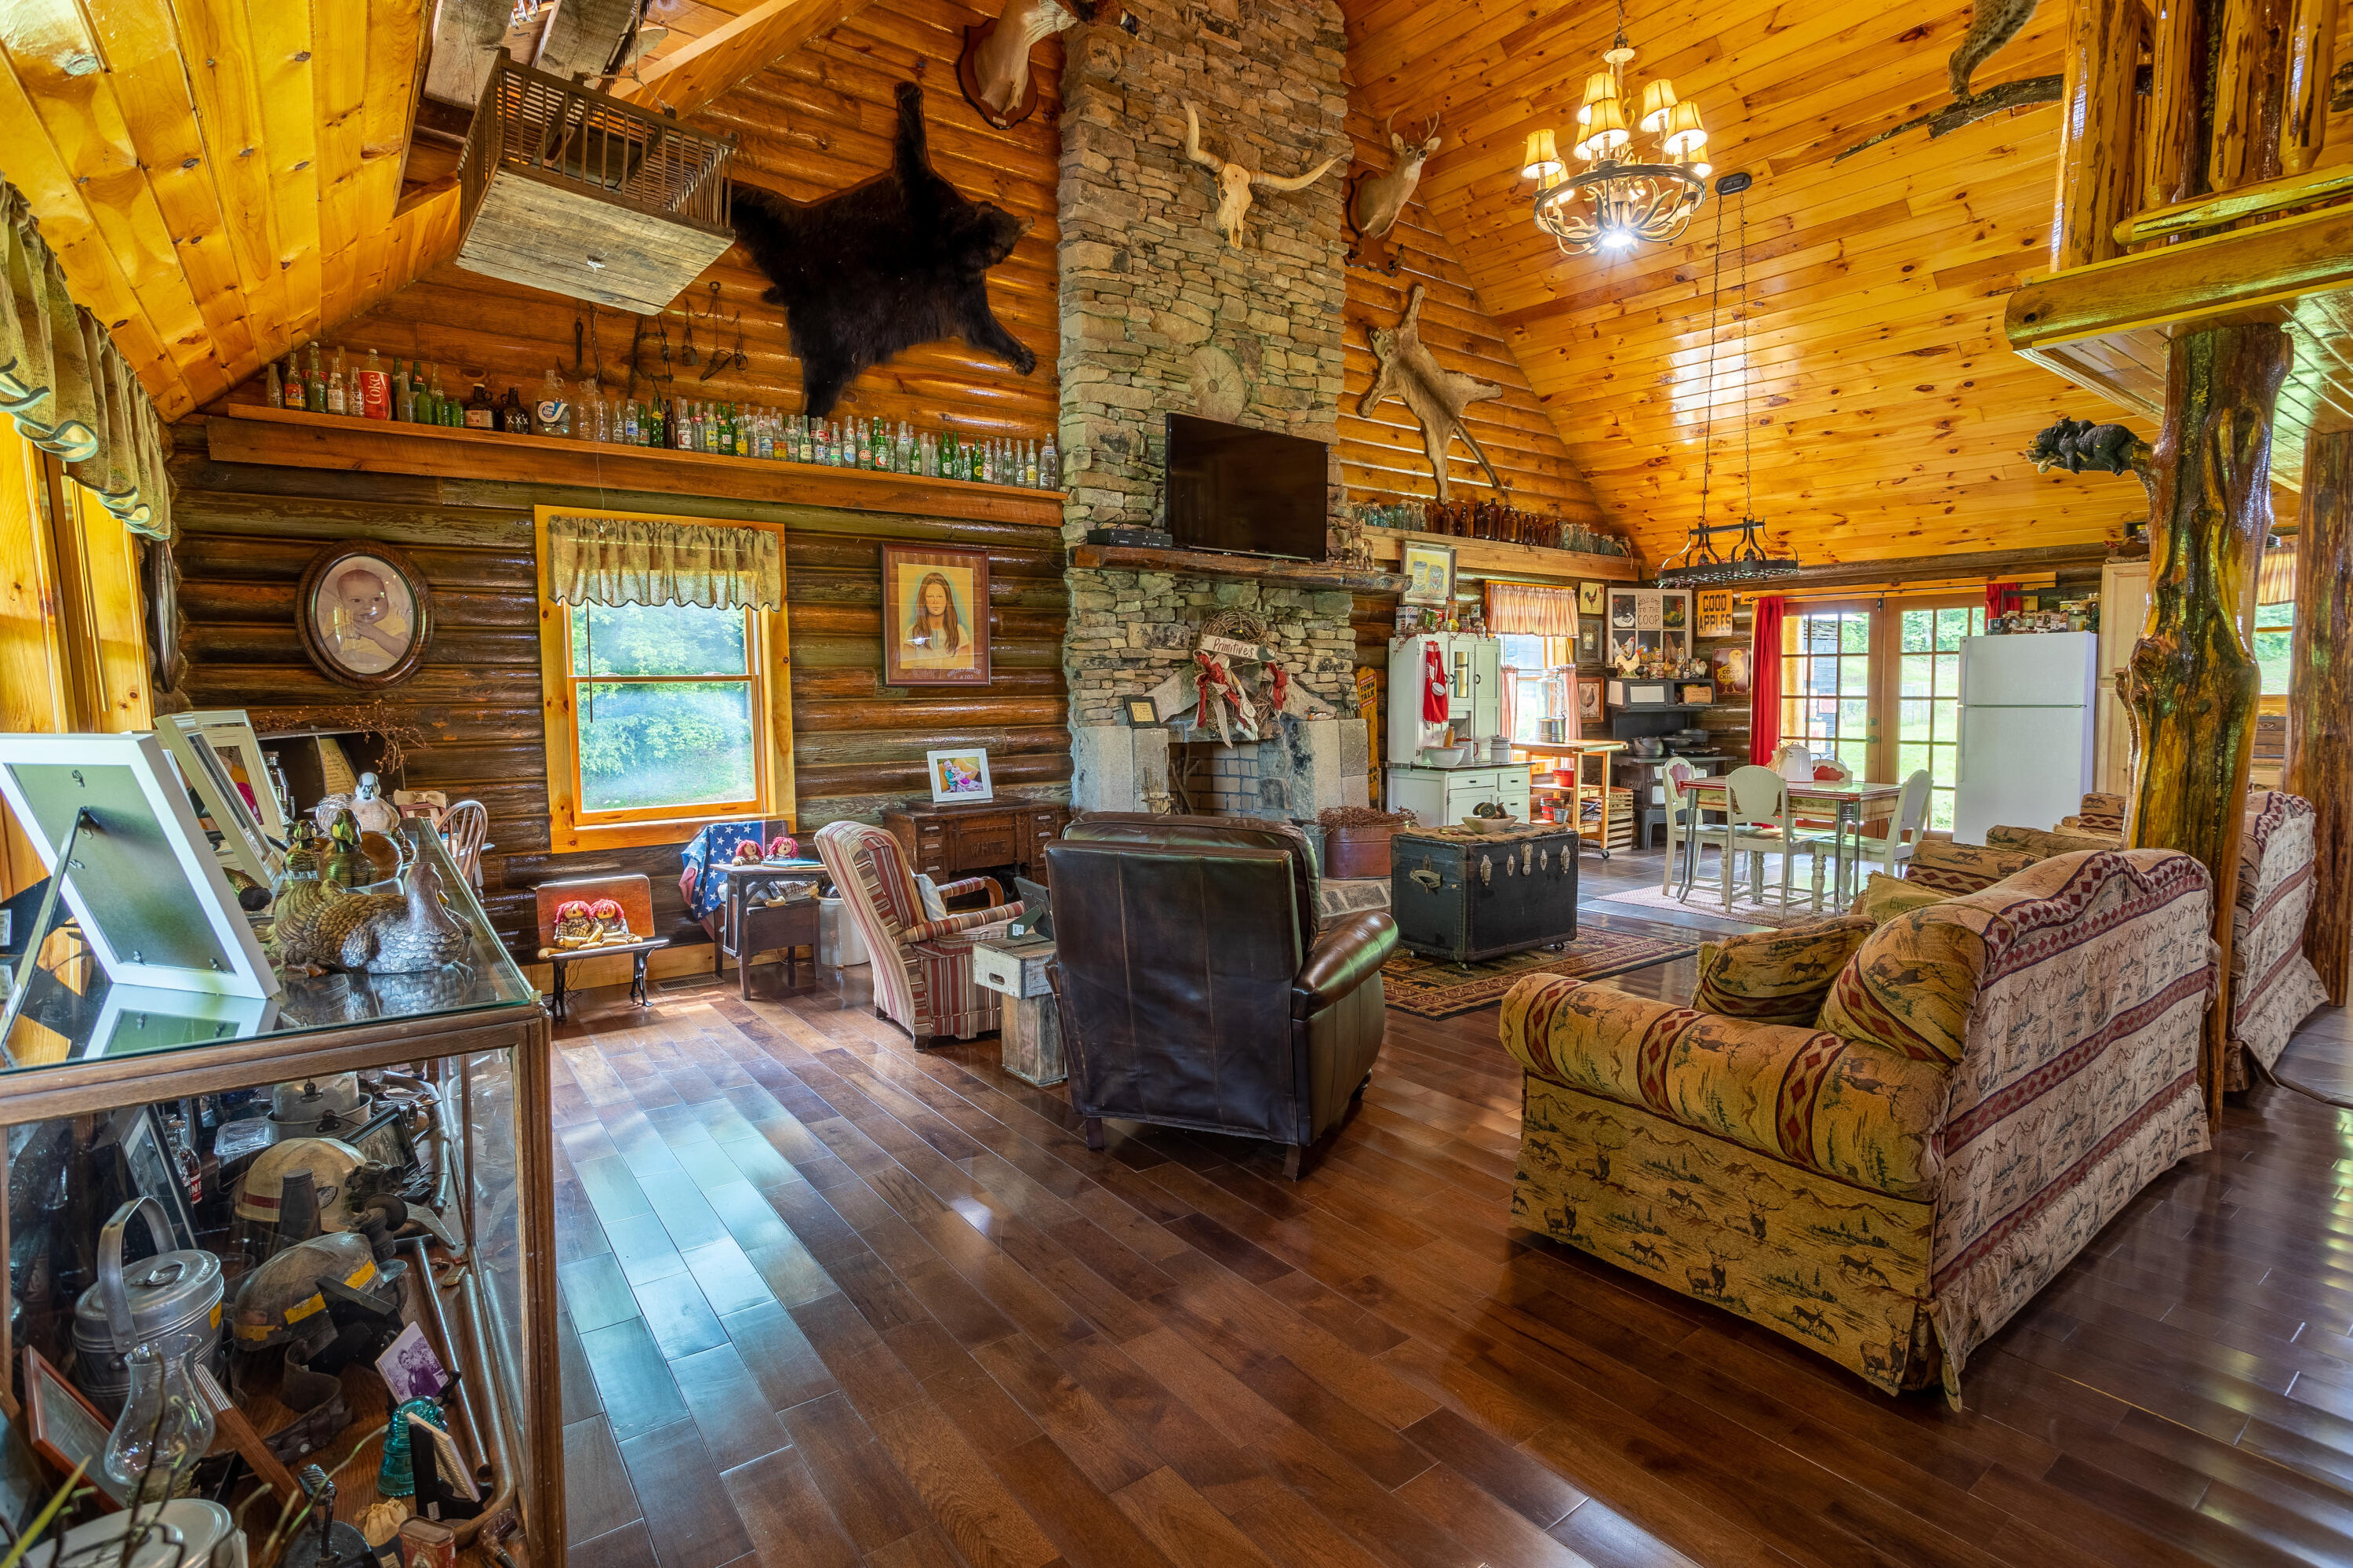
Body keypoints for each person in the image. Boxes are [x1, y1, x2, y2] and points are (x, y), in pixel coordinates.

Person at [319, 562, 410, 674]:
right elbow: (324, 652)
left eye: (376, 599)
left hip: (384, 670)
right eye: (357, 600)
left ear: (386, 599)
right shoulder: (338, 618)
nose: (368, 606)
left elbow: (402, 651)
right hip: (344, 671)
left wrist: (376, 634)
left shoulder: (392, 618)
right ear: (341, 605)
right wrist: (340, 634)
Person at [899, 570, 971, 671]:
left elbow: (965, 670)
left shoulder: (959, 632)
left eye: (940, 596)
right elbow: (907, 670)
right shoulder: (912, 632)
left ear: (947, 599)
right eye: (930, 596)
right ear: (924, 600)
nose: (935, 601)